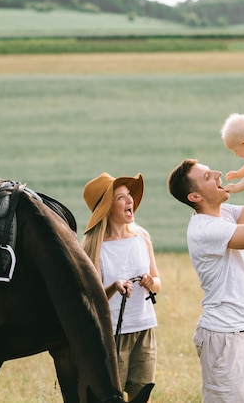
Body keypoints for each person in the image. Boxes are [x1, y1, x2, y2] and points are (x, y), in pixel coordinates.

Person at [167, 146, 244, 403]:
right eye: (207, 176)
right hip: (226, 339)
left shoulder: (224, 213)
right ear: (195, 197)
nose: (218, 173)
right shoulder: (206, 229)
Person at [82, 172, 161, 402]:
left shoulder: (142, 237)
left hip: (144, 329)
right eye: (120, 198)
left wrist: (150, 281)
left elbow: (158, 284)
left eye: (129, 196)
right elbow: (91, 299)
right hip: (112, 334)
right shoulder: (95, 246)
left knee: (141, 396)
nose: (130, 201)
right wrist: (114, 287)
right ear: (107, 207)